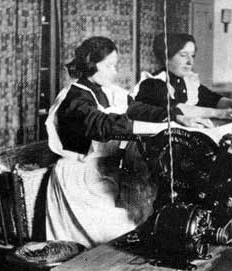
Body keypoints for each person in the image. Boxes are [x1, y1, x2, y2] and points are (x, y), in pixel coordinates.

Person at [45, 36, 156, 248]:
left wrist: (174, 116)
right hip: (78, 180)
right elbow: (101, 124)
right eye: (109, 65)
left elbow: (139, 109)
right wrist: (149, 128)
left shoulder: (109, 92)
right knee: (117, 235)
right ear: (90, 65)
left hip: (103, 172)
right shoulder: (73, 98)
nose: (115, 72)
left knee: (138, 221)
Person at [127, 33, 232, 128]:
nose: (190, 62)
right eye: (183, 55)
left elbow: (212, 98)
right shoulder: (153, 83)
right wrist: (221, 113)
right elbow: (177, 108)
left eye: (192, 56)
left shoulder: (187, 81)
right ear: (166, 57)